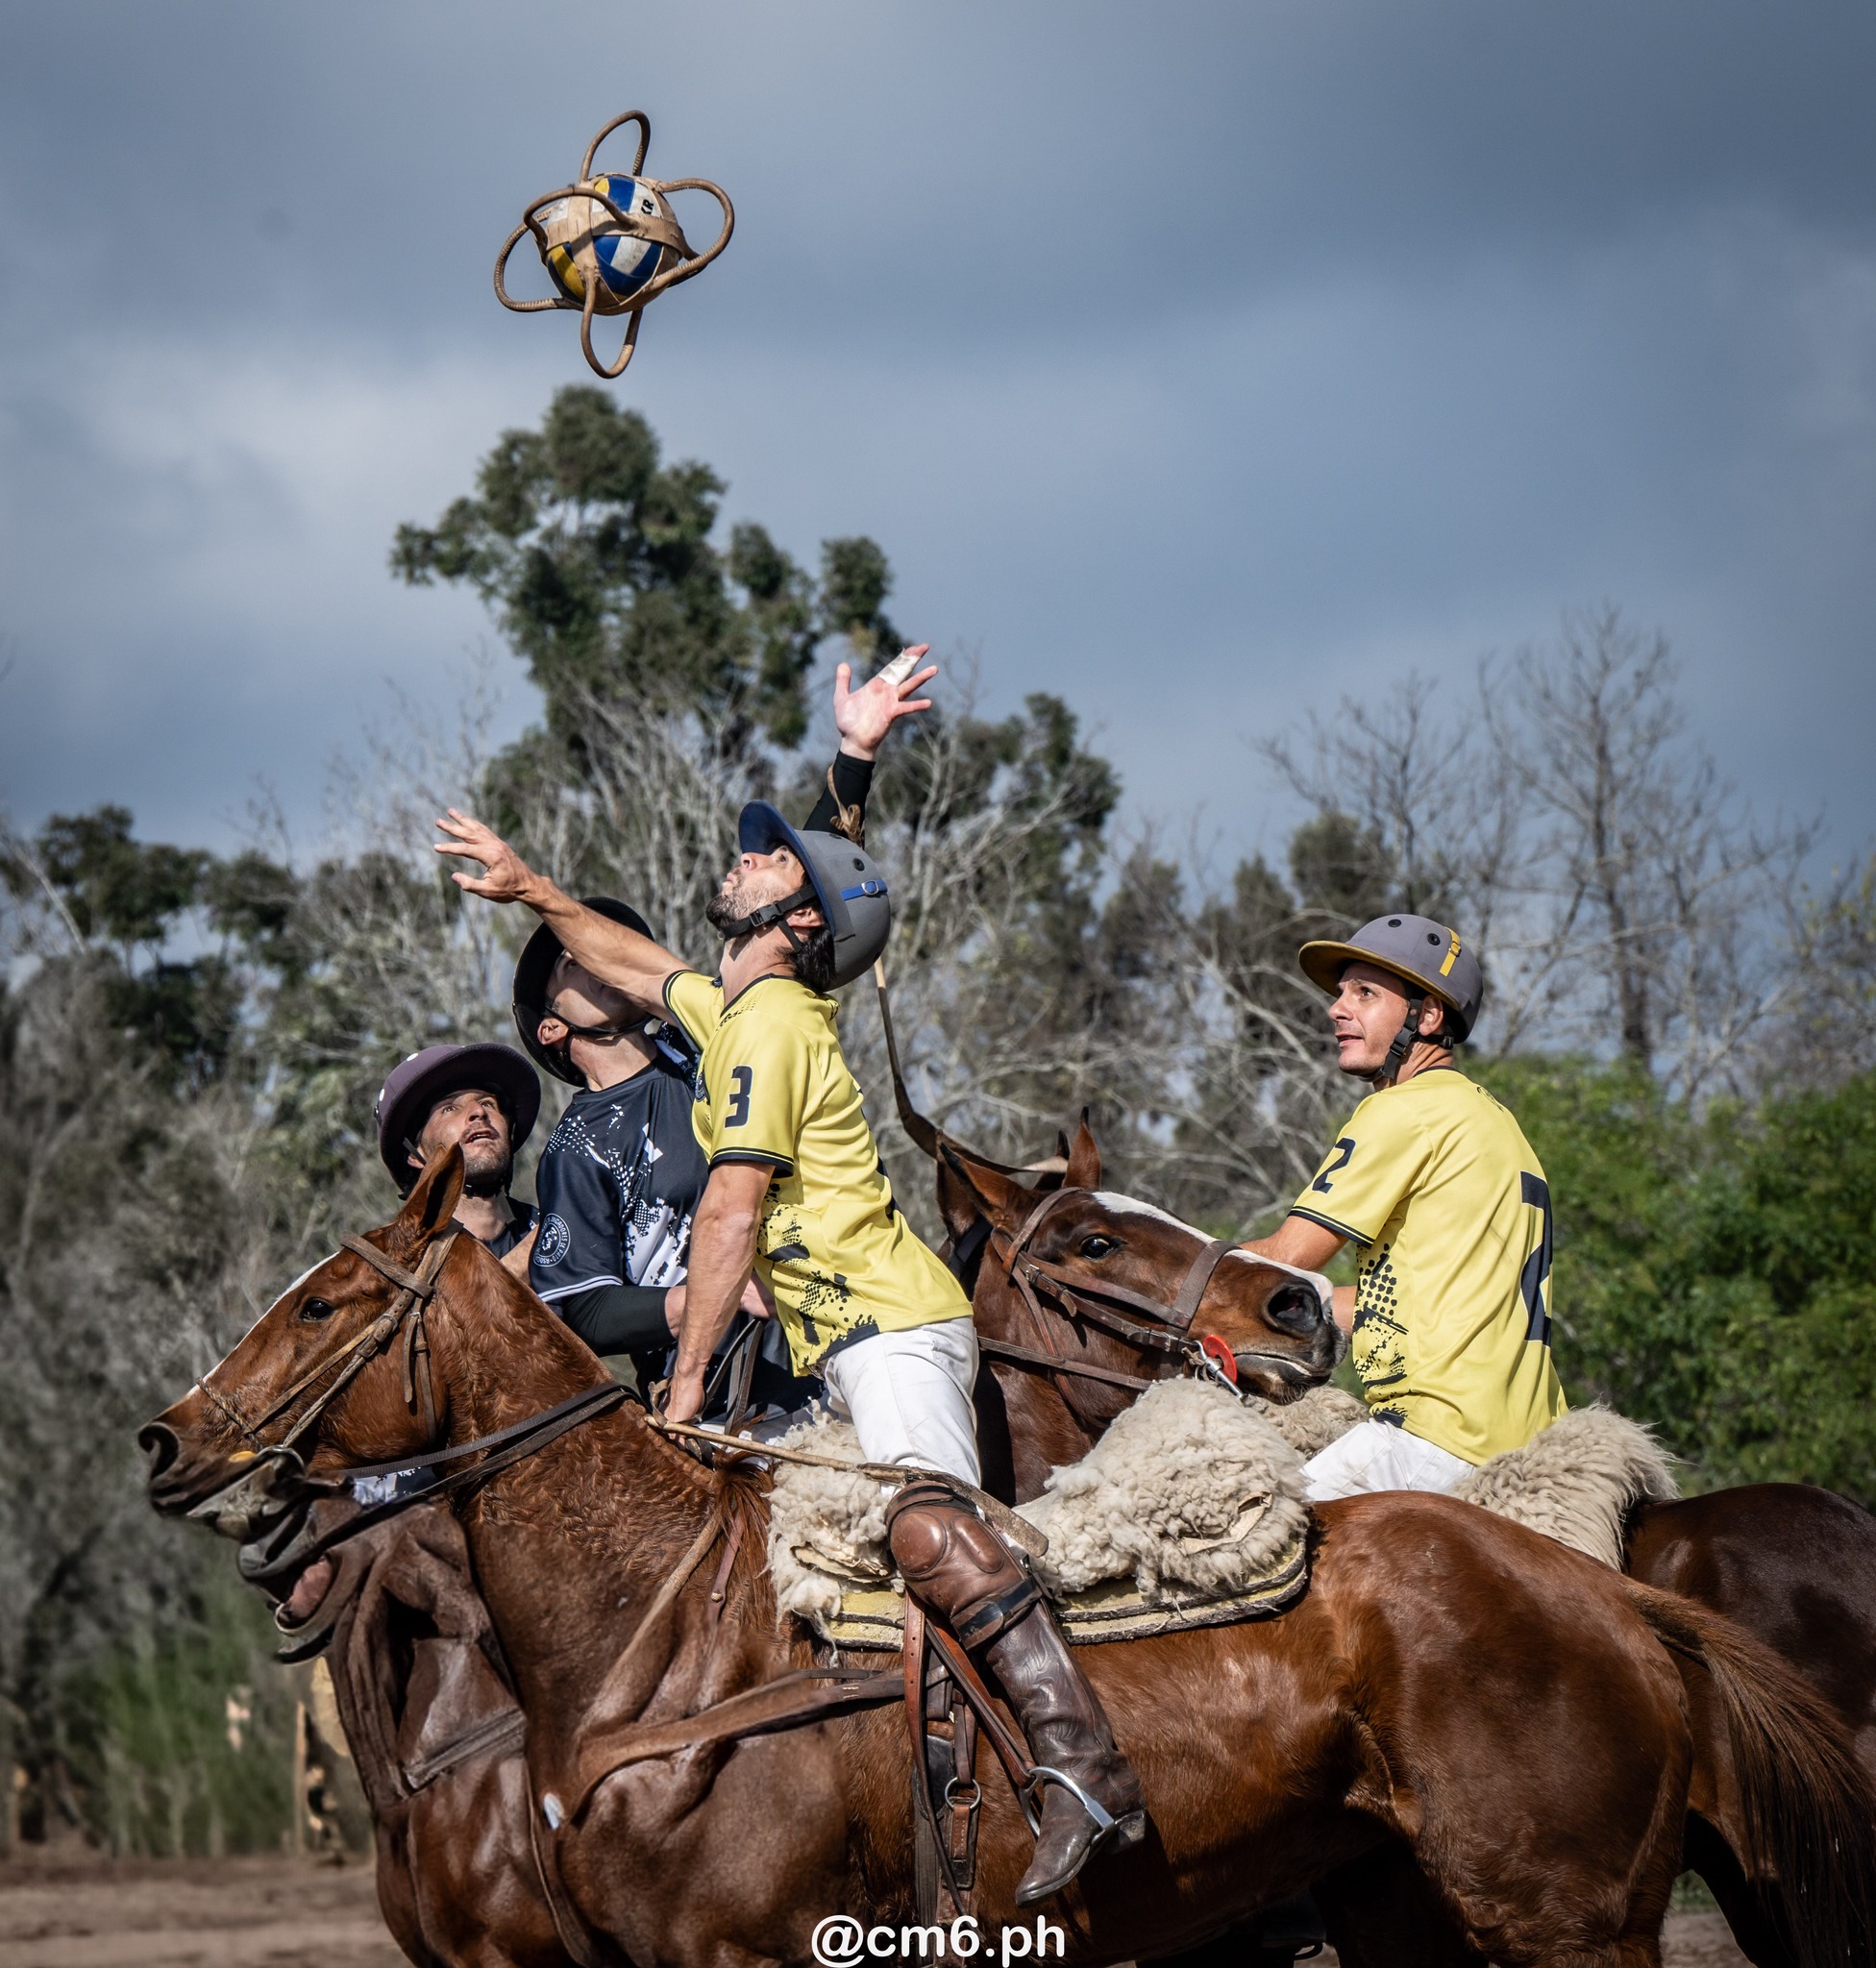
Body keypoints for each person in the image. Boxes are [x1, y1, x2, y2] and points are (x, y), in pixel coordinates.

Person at [432, 668, 1147, 1906]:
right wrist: (531, 886)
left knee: (941, 1538)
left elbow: (730, 1209)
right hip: (846, 1346)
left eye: (769, 863)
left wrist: (683, 1388)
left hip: (888, 1328)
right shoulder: (730, 1010)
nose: (747, 857)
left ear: (796, 919)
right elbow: (644, 954)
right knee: (870, 1595)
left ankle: (1084, 1767)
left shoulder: (761, 1025)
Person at [515, 653, 934, 1408]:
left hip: (835, 1345)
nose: (594, 962)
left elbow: (806, 901)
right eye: (571, 966)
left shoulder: (712, 1032)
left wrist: (855, 755)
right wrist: (699, 1298)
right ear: (552, 1030)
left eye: (594, 949)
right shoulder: (577, 1145)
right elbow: (577, 1307)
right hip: (714, 1398)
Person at [1242, 913, 1567, 1503]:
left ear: (1429, 1015)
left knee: (1237, 1536)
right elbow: (1404, 1303)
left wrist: (1162, 1272)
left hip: (1432, 1437)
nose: (1337, 1009)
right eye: (1341, 993)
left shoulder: (1404, 1110)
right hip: (1526, 1450)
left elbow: (1283, 1259)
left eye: (1364, 993)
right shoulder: (1495, 1123)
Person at [374, 1043, 542, 1275]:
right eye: (449, 1108)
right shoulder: (396, 1271)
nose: (479, 1112)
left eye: (487, 1103)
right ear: (414, 1154)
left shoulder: (561, 1232)